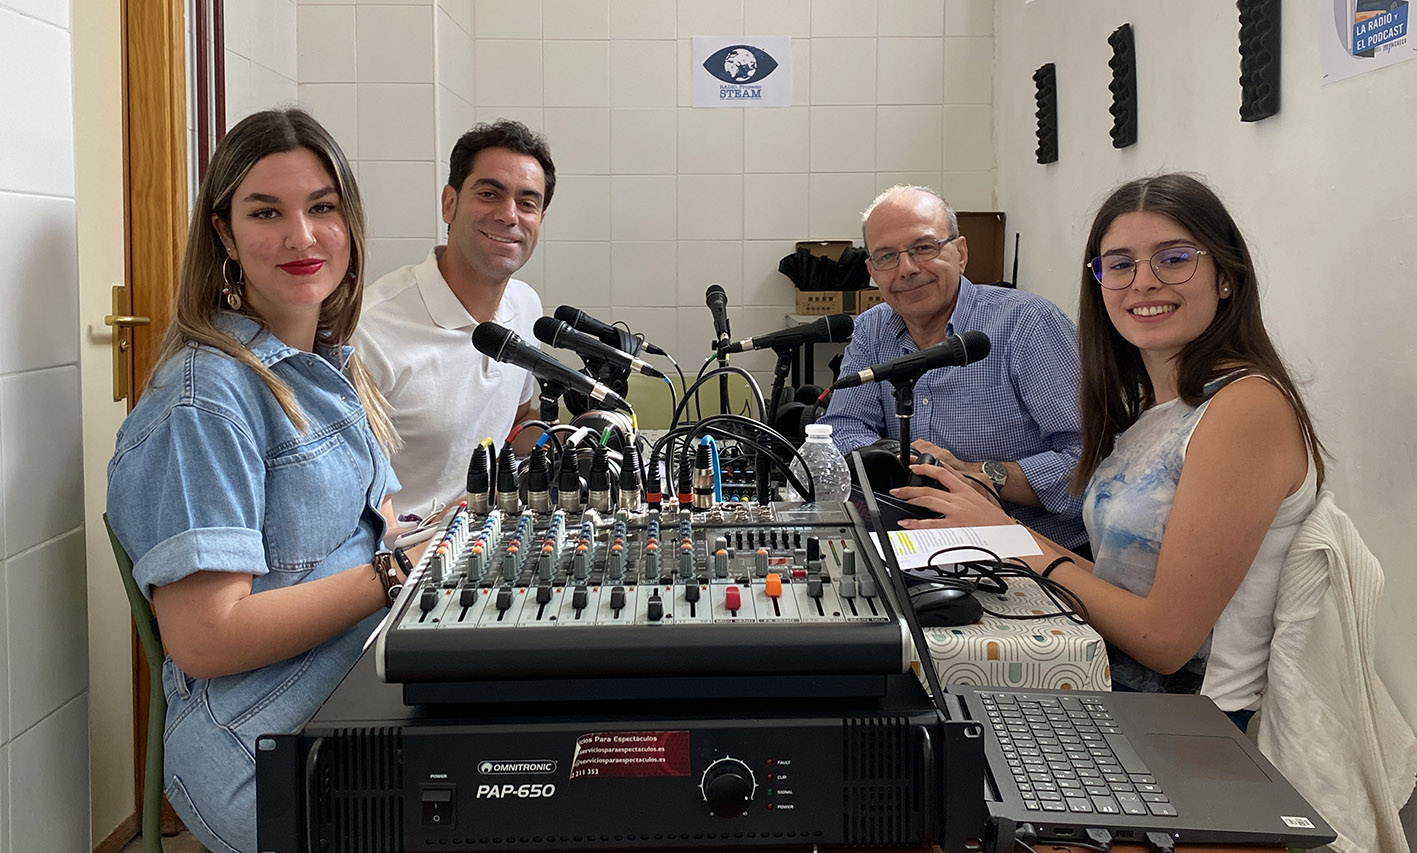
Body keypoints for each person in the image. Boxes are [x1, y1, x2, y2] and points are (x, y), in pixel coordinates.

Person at [892, 173, 1325, 731]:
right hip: (1114, 689)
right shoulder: (1151, 406)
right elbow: (1117, 584)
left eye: (1173, 259)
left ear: (1225, 276)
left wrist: (1007, 538)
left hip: (1197, 728)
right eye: (1120, 265)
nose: (1143, 282)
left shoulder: (1246, 409)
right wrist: (993, 526)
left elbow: (1165, 640)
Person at [106, 109, 409, 853]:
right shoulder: (205, 396)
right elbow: (207, 638)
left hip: (356, 685)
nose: (301, 237)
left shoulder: (329, 366)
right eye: (265, 212)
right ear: (224, 234)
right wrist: (396, 571)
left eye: (322, 207)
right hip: (260, 747)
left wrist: (449, 540)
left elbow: (383, 520)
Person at [820, 185, 1087, 551]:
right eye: (887, 257)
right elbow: (844, 426)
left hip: (1031, 556)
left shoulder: (1026, 323)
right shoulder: (872, 328)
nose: (907, 269)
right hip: (912, 548)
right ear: (871, 271)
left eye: (924, 248)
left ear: (960, 253)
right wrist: (901, 464)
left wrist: (975, 474)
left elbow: (1091, 463)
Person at [352, 119, 554, 523]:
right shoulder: (370, 331)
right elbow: (349, 496)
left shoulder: (526, 305)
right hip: (395, 564)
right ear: (450, 203)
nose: (508, 215)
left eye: (527, 203)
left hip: (486, 537)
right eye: (489, 194)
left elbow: (519, 420)